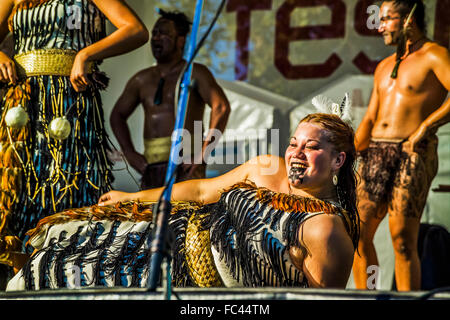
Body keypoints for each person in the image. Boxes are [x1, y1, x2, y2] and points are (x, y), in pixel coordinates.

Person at [6, 102, 360, 290]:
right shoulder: (266, 168)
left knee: (92, 278)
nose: (296, 153)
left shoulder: (326, 231)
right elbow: (203, 190)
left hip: (187, 289)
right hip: (167, 236)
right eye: (293, 143)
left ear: (338, 160)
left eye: (311, 148)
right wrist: (135, 199)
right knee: (79, 238)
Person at [0, 0, 149, 273]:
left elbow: (136, 30)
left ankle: (67, 272)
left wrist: (85, 55)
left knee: (68, 188)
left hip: (70, 105)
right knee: (21, 189)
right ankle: (19, 272)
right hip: (23, 109)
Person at [352, 0, 450, 291]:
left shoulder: (435, 54)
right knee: (358, 231)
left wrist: (425, 127)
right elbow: (370, 117)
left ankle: (407, 301)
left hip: (412, 152)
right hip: (376, 153)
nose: (380, 26)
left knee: (403, 241)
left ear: (408, 19)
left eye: (387, 19)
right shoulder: (384, 66)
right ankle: (368, 297)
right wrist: (351, 151)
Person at [110, 10, 230, 190]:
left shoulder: (195, 73)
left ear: (180, 40)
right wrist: (129, 153)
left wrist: (203, 153)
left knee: (185, 217)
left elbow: (220, 107)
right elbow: (117, 115)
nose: (156, 38)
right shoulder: (141, 79)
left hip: (186, 166)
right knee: (151, 216)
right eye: (155, 33)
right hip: (151, 168)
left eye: (164, 34)